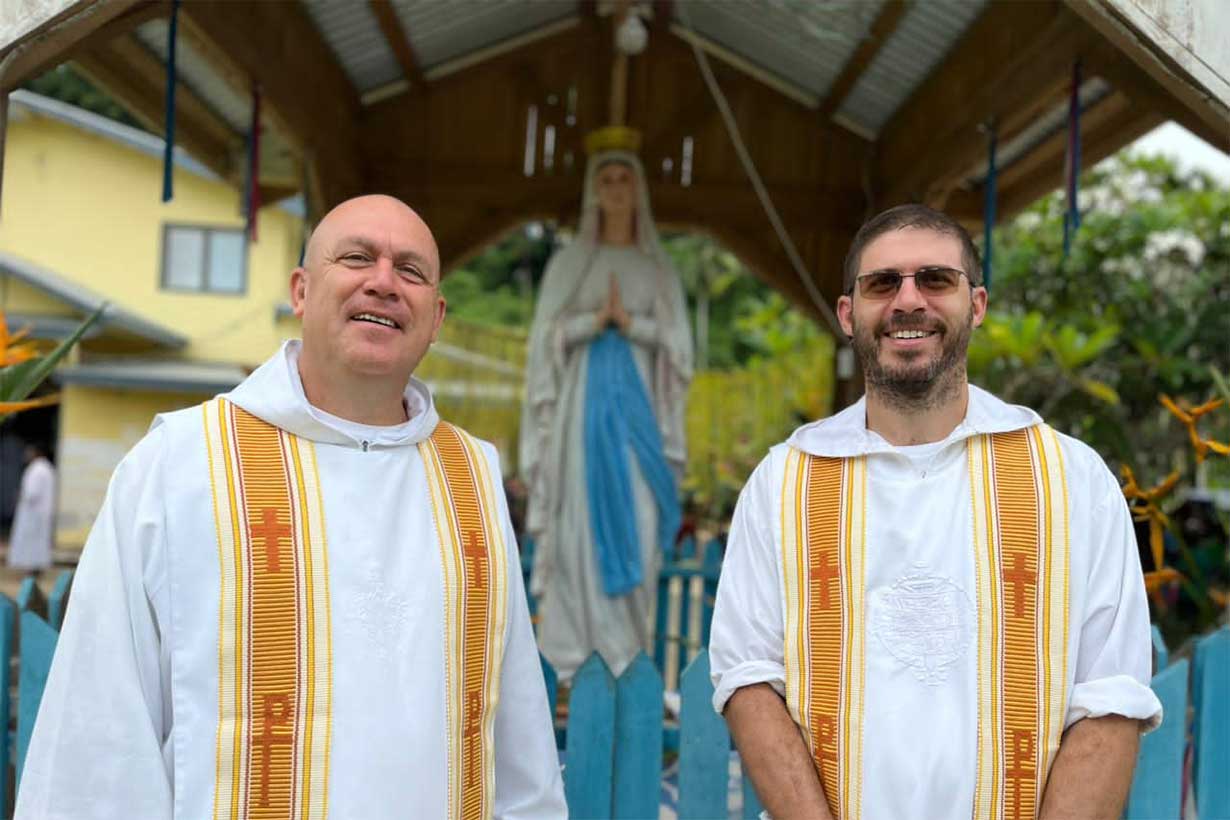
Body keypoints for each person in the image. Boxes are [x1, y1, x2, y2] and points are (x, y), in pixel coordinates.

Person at [17, 195, 566, 819]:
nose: (383, 282)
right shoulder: (181, 462)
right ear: (301, 290)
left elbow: (518, 733)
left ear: (435, 316)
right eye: (357, 257)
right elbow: (101, 725)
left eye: (410, 270)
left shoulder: (474, 476)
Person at [710, 204, 1160, 820]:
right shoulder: (784, 482)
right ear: (849, 314)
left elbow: (1112, 696)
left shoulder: (1073, 480)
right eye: (882, 284)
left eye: (935, 280)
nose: (908, 301)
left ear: (976, 304)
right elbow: (748, 678)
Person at [521, 135, 692, 681]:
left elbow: (680, 348)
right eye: (607, 180)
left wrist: (631, 324)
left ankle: (628, 659)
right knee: (578, 524)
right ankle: (572, 663)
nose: (616, 190)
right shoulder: (571, 263)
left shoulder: (656, 269)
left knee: (641, 519)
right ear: (594, 191)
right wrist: (592, 323)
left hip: (639, 413)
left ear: (639, 191)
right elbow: (545, 337)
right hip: (581, 416)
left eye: (625, 180)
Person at [7, 441, 56, 572]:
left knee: (30, 541)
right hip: (41, 512)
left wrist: (20, 496)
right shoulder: (47, 467)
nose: (26, 454)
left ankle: (31, 568)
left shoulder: (37, 469)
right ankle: (36, 567)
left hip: (33, 513)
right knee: (38, 541)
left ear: (36, 453)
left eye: (29, 451)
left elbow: (32, 493)